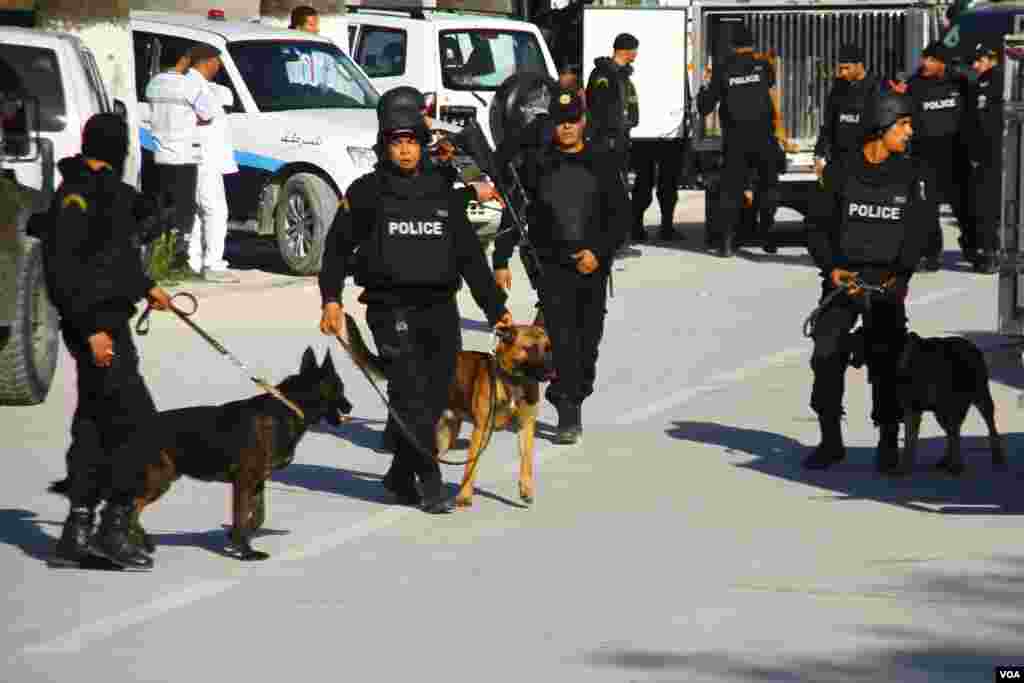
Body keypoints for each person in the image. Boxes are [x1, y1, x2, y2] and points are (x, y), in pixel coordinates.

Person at [318, 86, 511, 513]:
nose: (404, 150)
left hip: (440, 308)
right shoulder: (366, 192)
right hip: (390, 308)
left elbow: (469, 257)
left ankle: (399, 476)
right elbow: (335, 250)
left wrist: (496, 309)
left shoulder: (442, 191)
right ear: (384, 145)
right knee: (410, 397)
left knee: (437, 397)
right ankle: (431, 483)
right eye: (396, 142)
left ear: (422, 144)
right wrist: (331, 299)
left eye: (411, 141)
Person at [42, 114, 172, 569]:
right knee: (138, 427)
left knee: (94, 425)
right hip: (97, 329)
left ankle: (77, 530)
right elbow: (64, 270)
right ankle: (113, 528)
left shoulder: (104, 190)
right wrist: (91, 329)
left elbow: (112, 258)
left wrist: (146, 286)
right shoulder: (76, 196)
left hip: (109, 323)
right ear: (118, 149)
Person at [803, 91, 935, 473]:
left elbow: (921, 233)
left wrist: (900, 274)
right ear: (882, 126)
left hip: (886, 283)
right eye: (903, 124)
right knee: (825, 352)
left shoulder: (911, 174)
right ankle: (830, 440)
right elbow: (816, 228)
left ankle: (888, 441)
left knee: (887, 360)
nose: (909, 132)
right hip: (844, 279)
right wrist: (831, 268)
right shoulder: (841, 170)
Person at [492, 89, 628, 444]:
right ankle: (568, 412)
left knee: (587, 344)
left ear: (583, 122)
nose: (566, 128)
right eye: (559, 122)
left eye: (572, 121)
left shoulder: (602, 161)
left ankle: (575, 391)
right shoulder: (537, 164)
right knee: (563, 341)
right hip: (552, 267)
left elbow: (620, 217)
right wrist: (501, 258)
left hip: (592, 268)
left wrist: (598, 252)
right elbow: (516, 210)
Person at [697, 24, 780, 258]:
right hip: (764, 138)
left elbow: (705, 107)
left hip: (736, 141)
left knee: (731, 191)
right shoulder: (763, 66)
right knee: (768, 187)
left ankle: (726, 243)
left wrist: (704, 88)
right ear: (752, 44)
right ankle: (768, 236)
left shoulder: (723, 69)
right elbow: (769, 86)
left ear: (732, 46)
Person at [901, 41, 971, 271]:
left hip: (955, 154)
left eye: (930, 60)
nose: (925, 63)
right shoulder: (915, 84)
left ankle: (975, 249)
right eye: (924, 59)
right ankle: (931, 254)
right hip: (925, 156)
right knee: (926, 208)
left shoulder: (960, 81)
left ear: (942, 62)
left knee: (964, 205)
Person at [145, 42, 216, 266]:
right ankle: (178, 257)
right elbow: (207, 114)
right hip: (184, 156)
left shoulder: (153, 84)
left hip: (159, 155)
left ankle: (159, 254)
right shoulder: (188, 85)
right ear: (183, 59)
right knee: (184, 209)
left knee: (163, 207)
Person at [184, 45, 239, 283]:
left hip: (199, 156)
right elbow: (204, 114)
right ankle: (213, 264)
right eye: (218, 61)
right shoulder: (195, 85)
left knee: (199, 211)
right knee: (215, 210)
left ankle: (194, 262)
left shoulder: (194, 83)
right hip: (204, 157)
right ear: (208, 61)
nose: (219, 66)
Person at [586, 32, 639, 251]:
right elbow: (598, 108)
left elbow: (627, 106)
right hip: (606, 143)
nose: (636, 54)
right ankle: (608, 243)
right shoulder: (604, 74)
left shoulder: (622, 75)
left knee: (618, 192)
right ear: (626, 51)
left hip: (619, 141)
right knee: (608, 193)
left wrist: (628, 123)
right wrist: (608, 135)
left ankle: (617, 241)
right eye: (634, 50)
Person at [813, 43, 883, 181]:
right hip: (839, 161)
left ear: (859, 65)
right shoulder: (838, 87)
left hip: (866, 163)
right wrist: (818, 154)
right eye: (841, 68)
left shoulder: (876, 88)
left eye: (847, 68)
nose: (843, 73)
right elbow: (828, 122)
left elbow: (881, 127)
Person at [966, 41, 1004, 274]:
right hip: (983, 153)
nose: (975, 65)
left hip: (997, 152)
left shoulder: (1001, 80)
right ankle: (988, 250)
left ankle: (992, 252)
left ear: (990, 59)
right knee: (983, 204)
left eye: (979, 60)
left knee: (991, 204)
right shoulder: (979, 82)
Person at [629, 138, 684, 242]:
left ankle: (637, 228)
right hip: (669, 137)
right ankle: (666, 228)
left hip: (643, 137)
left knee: (643, 181)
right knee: (667, 182)